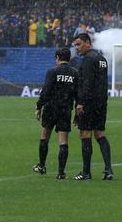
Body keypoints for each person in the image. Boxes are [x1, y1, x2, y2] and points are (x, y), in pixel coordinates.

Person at [72, 32, 112, 180]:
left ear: (88, 43)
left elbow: (86, 83)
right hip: (101, 102)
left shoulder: (87, 60)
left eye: (79, 44)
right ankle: (108, 170)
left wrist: (81, 102)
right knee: (100, 134)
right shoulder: (102, 59)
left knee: (85, 134)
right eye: (75, 45)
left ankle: (86, 172)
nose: (77, 48)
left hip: (89, 102)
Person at [34, 47, 78, 179]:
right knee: (63, 141)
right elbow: (78, 94)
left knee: (45, 136)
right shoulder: (75, 73)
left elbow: (46, 90)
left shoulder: (52, 72)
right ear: (69, 58)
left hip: (51, 108)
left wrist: (39, 106)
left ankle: (42, 165)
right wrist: (76, 112)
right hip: (65, 109)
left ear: (57, 58)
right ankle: (61, 172)